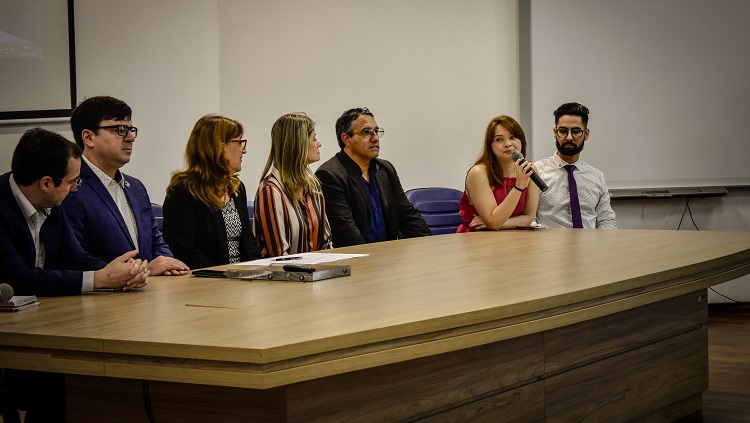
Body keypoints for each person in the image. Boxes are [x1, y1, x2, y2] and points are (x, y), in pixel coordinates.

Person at [0, 128, 149, 422]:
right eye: (72, 183)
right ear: (45, 183)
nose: (75, 188)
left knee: (70, 384)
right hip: (11, 335)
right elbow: (18, 277)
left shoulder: (50, 202)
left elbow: (75, 257)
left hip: (42, 322)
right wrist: (99, 280)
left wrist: (120, 273)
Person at [62, 96, 189, 275]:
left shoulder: (135, 187)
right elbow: (75, 258)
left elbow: (156, 241)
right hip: (103, 298)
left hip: (149, 292)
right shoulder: (71, 188)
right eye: (120, 130)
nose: (130, 138)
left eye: (131, 130)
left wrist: (167, 264)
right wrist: (144, 270)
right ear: (88, 137)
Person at [315, 107, 431, 247]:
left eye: (376, 131)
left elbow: (407, 215)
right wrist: (373, 261)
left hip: (389, 256)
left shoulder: (385, 170)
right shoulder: (330, 175)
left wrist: (431, 245)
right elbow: (346, 232)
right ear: (347, 139)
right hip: (356, 260)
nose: (375, 138)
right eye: (366, 132)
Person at [162, 114, 261, 268]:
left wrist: (254, 270)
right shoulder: (183, 192)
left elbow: (249, 241)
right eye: (239, 142)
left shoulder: (236, 188)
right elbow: (184, 252)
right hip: (207, 282)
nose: (244, 150)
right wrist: (225, 275)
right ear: (219, 147)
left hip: (241, 279)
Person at [254, 113, 332, 257]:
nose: (319, 143)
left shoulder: (313, 184)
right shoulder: (270, 190)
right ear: (298, 145)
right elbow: (278, 257)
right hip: (287, 276)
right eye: (314, 138)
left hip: (317, 271)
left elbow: (326, 242)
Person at [534, 102, 617, 229]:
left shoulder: (597, 177)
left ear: (586, 134)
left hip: (590, 246)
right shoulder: (536, 172)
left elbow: (607, 221)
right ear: (555, 132)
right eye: (563, 131)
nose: (568, 137)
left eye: (576, 131)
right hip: (550, 246)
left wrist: (601, 246)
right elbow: (530, 220)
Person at [457, 115, 540, 232]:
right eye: (499, 139)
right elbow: (494, 222)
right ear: (490, 146)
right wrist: (520, 185)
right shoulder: (479, 173)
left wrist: (499, 223)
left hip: (514, 237)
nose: (508, 144)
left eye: (512, 137)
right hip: (478, 239)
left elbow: (527, 219)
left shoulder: (529, 169)